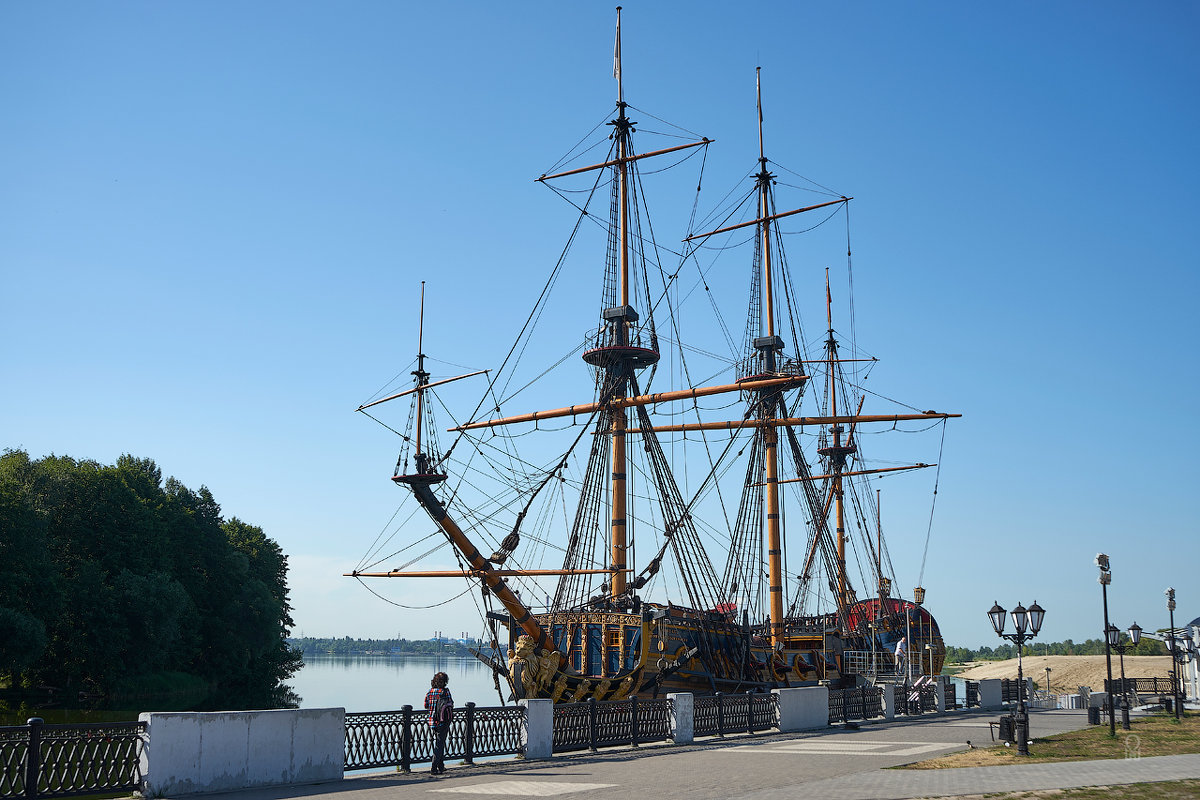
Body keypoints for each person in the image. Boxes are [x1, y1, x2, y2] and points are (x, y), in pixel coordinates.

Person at [424, 671, 453, 775]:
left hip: (432, 722)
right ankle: (434, 767)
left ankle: (441, 766)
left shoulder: (430, 691)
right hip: (443, 721)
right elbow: (451, 703)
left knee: (440, 743)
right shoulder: (445, 692)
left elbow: (426, 705)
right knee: (439, 744)